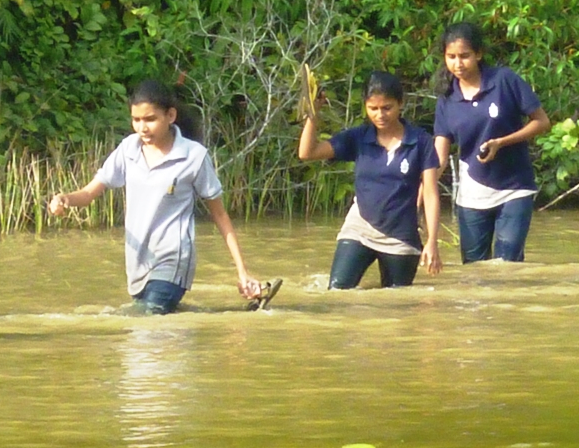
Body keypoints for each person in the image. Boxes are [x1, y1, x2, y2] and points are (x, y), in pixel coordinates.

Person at [48, 79, 263, 314]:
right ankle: (235, 315)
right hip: (138, 263)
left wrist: (242, 271)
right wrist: (65, 198)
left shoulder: (194, 156)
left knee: (145, 316)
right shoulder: (128, 149)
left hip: (174, 257)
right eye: (136, 120)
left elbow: (220, 216)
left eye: (150, 119)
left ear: (170, 116)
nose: (142, 128)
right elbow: (89, 193)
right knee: (154, 320)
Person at [298, 70, 442, 289]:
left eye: (387, 108)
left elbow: (430, 193)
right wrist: (313, 115)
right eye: (372, 109)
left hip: (400, 237)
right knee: (337, 291)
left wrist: (432, 241)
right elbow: (307, 153)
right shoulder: (357, 138)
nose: (380, 115)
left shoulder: (420, 141)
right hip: (359, 227)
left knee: (396, 304)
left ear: (400, 104)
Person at [433, 22, 550, 263]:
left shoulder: (505, 80)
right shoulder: (446, 99)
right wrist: (422, 186)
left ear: (479, 54)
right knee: (474, 271)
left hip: (515, 188)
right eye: (451, 57)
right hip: (471, 195)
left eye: (464, 56)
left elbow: (541, 122)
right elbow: (440, 157)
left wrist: (503, 142)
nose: (458, 64)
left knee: (507, 265)